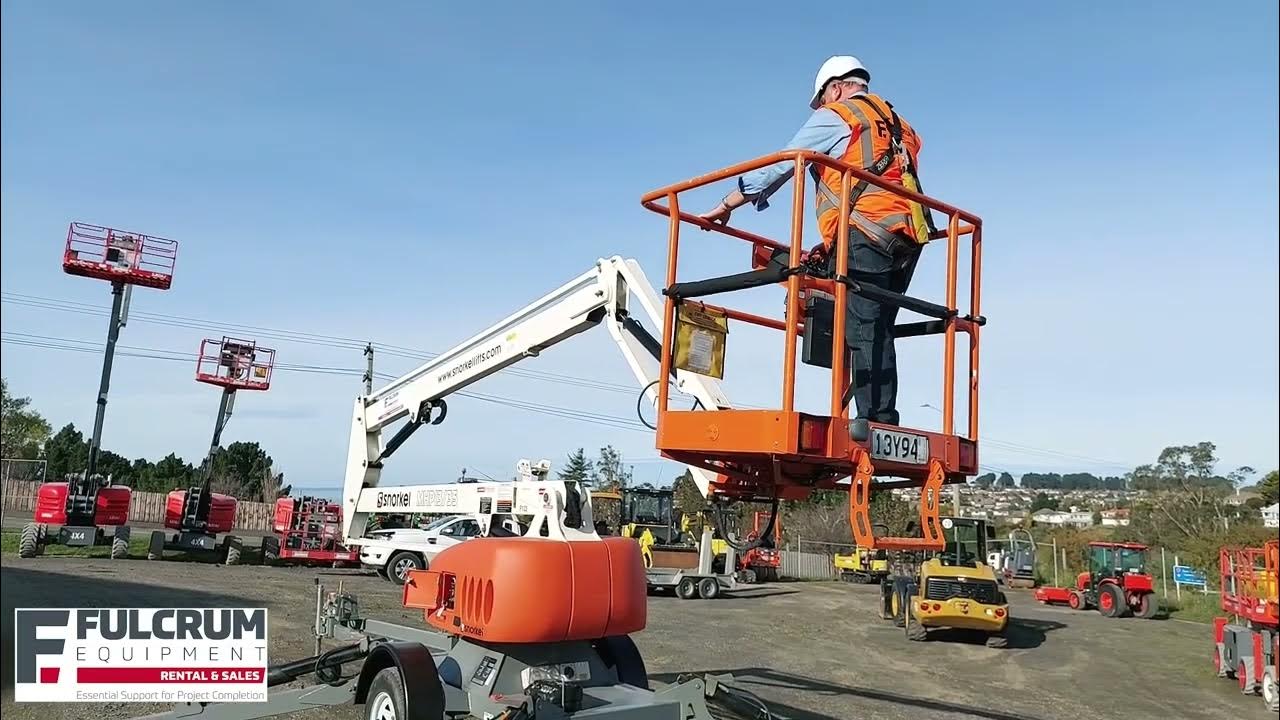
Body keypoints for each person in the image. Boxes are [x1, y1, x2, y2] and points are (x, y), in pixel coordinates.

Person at [699, 55, 931, 435]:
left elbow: (783, 163)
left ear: (835, 89)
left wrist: (728, 204)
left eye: (822, 98)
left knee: (864, 326)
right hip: (907, 236)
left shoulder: (838, 115)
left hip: (866, 232)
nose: (821, 106)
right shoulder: (901, 126)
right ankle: (884, 419)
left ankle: (878, 426)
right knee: (878, 327)